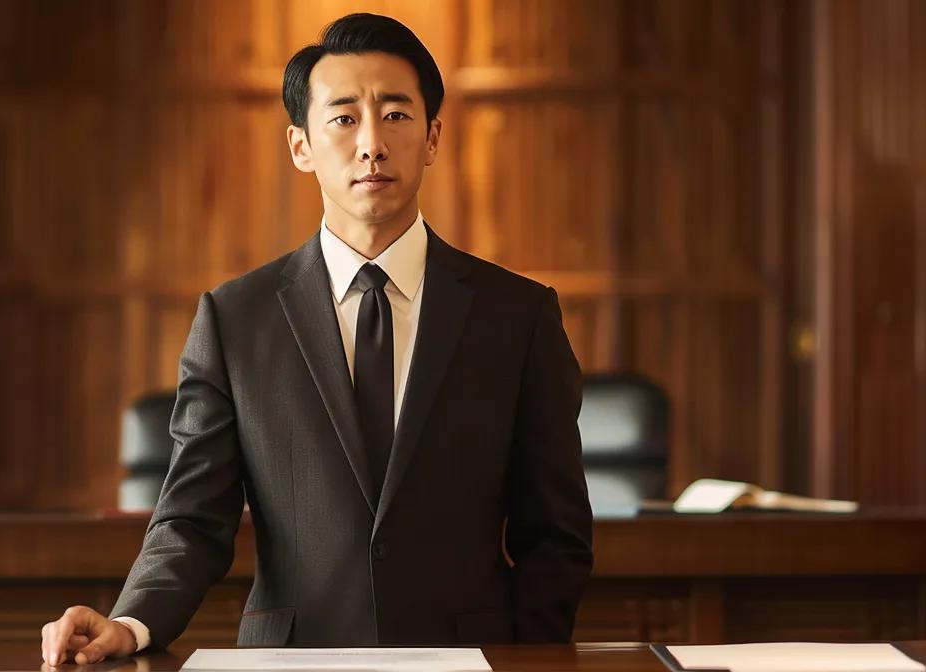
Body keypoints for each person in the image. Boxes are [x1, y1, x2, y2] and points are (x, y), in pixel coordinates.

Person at [42, 13, 593, 666]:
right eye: (343, 118)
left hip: (468, 660)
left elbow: (554, 533)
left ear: (433, 137)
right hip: (293, 661)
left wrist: (523, 658)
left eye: (395, 115)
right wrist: (130, 624)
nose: (371, 144)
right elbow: (191, 521)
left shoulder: (517, 316)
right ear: (301, 145)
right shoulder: (234, 319)